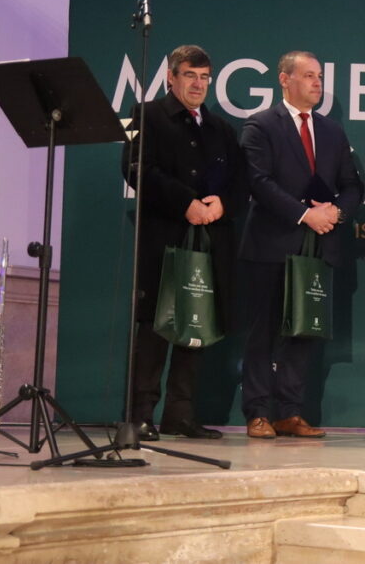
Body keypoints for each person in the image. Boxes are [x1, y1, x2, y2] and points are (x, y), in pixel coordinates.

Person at [121, 44, 246, 441]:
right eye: (190, 75)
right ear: (171, 77)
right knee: (155, 329)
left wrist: (222, 204)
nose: (198, 84)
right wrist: (186, 203)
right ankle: (140, 416)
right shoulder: (146, 115)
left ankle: (180, 414)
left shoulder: (222, 129)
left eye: (205, 77)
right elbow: (135, 168)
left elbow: (241, 183)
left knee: (196, 324)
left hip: (209, 242)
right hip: (163, 241)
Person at [238, 51, 363, 439]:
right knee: (262, 333)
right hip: (270, 246)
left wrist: (336, 212)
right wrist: (305, 214)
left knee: (304, 330)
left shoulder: (332, 131)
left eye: (319, 76)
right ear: (284, 79)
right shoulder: (260, 126)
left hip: (317, 248)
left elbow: (353, 185)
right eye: (308, 75)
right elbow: (258, 182)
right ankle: (258, 412)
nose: (317, 82)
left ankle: (290, 412)